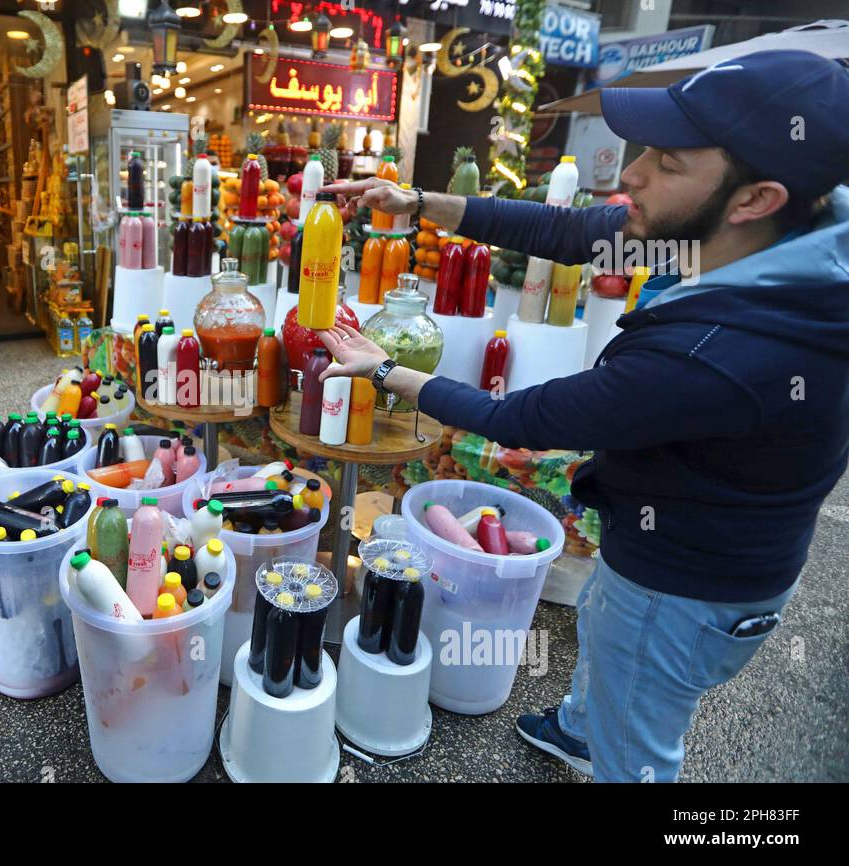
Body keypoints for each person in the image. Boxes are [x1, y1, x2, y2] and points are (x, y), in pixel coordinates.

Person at [319, 50, 849, 782]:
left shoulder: (726, 350)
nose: (631, 173)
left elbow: (523, 418)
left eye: (666, 161)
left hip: (684, 586)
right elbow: (572, 233)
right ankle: (578, 726)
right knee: (608, 641)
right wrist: (421, 204)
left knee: (637, 739)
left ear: (756, 197)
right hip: (675, 541)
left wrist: (384, 369)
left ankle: (607, 743)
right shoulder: (762, 240)